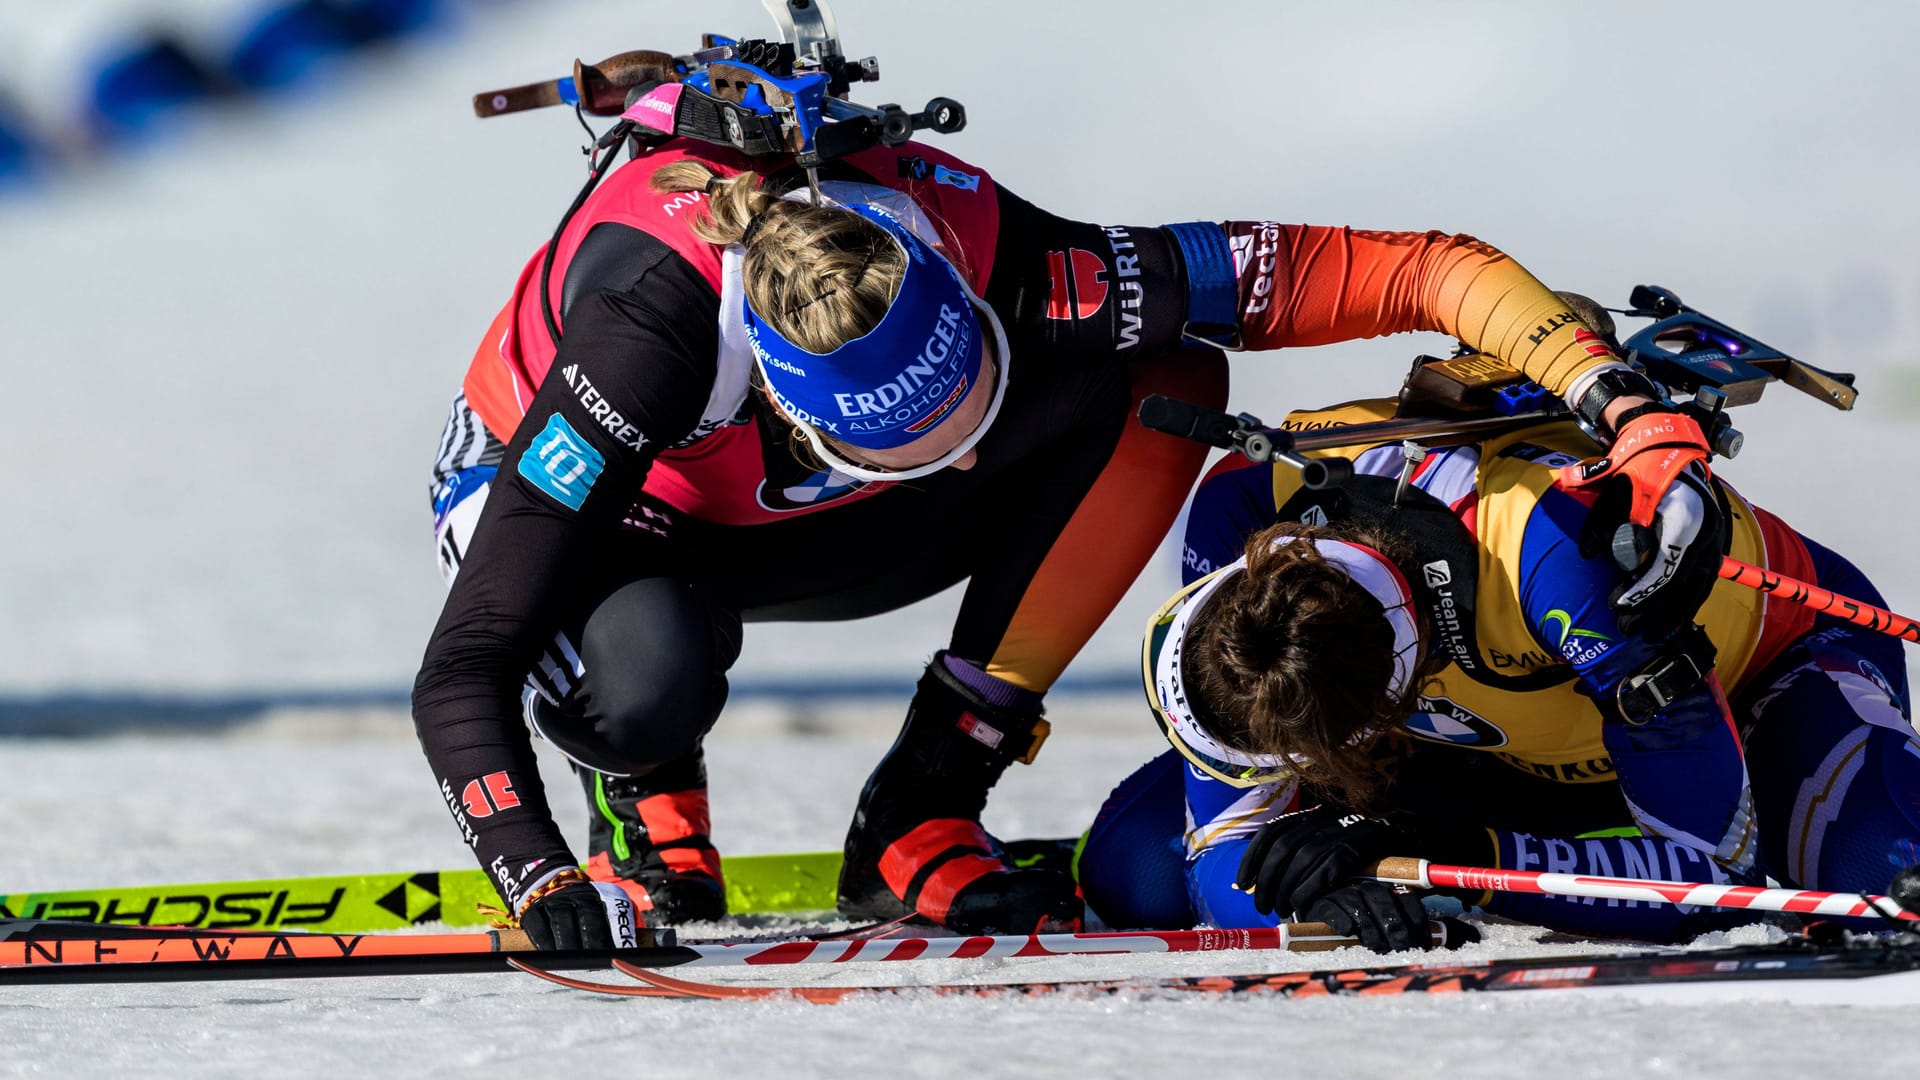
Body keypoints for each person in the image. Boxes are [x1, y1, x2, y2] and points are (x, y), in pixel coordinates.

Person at [412, 105, 1711, 947]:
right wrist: (530, 875)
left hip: (798, 508)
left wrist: (1624, 405)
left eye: (970, 401)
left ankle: (923, 802)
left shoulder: (1008, 246)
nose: (969, 454)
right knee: (648, 668)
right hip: (602, 525)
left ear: (958, 289)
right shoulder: (646, 340)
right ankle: (640, 782)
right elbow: (464, 662)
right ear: (794, 404)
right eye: (909, 440)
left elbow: (1420, 271)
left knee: (1166, 382)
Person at [1076, 389, 1920, 950]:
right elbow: (1228, 853)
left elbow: (1710, 874)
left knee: (1881, 870)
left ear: (1382, 712)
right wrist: (1323, 896)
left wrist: (1449, 859)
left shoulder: (1568, 577)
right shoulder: (1242, 505)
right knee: (1140, 872)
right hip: (1506, 741)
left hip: (1764, 682)